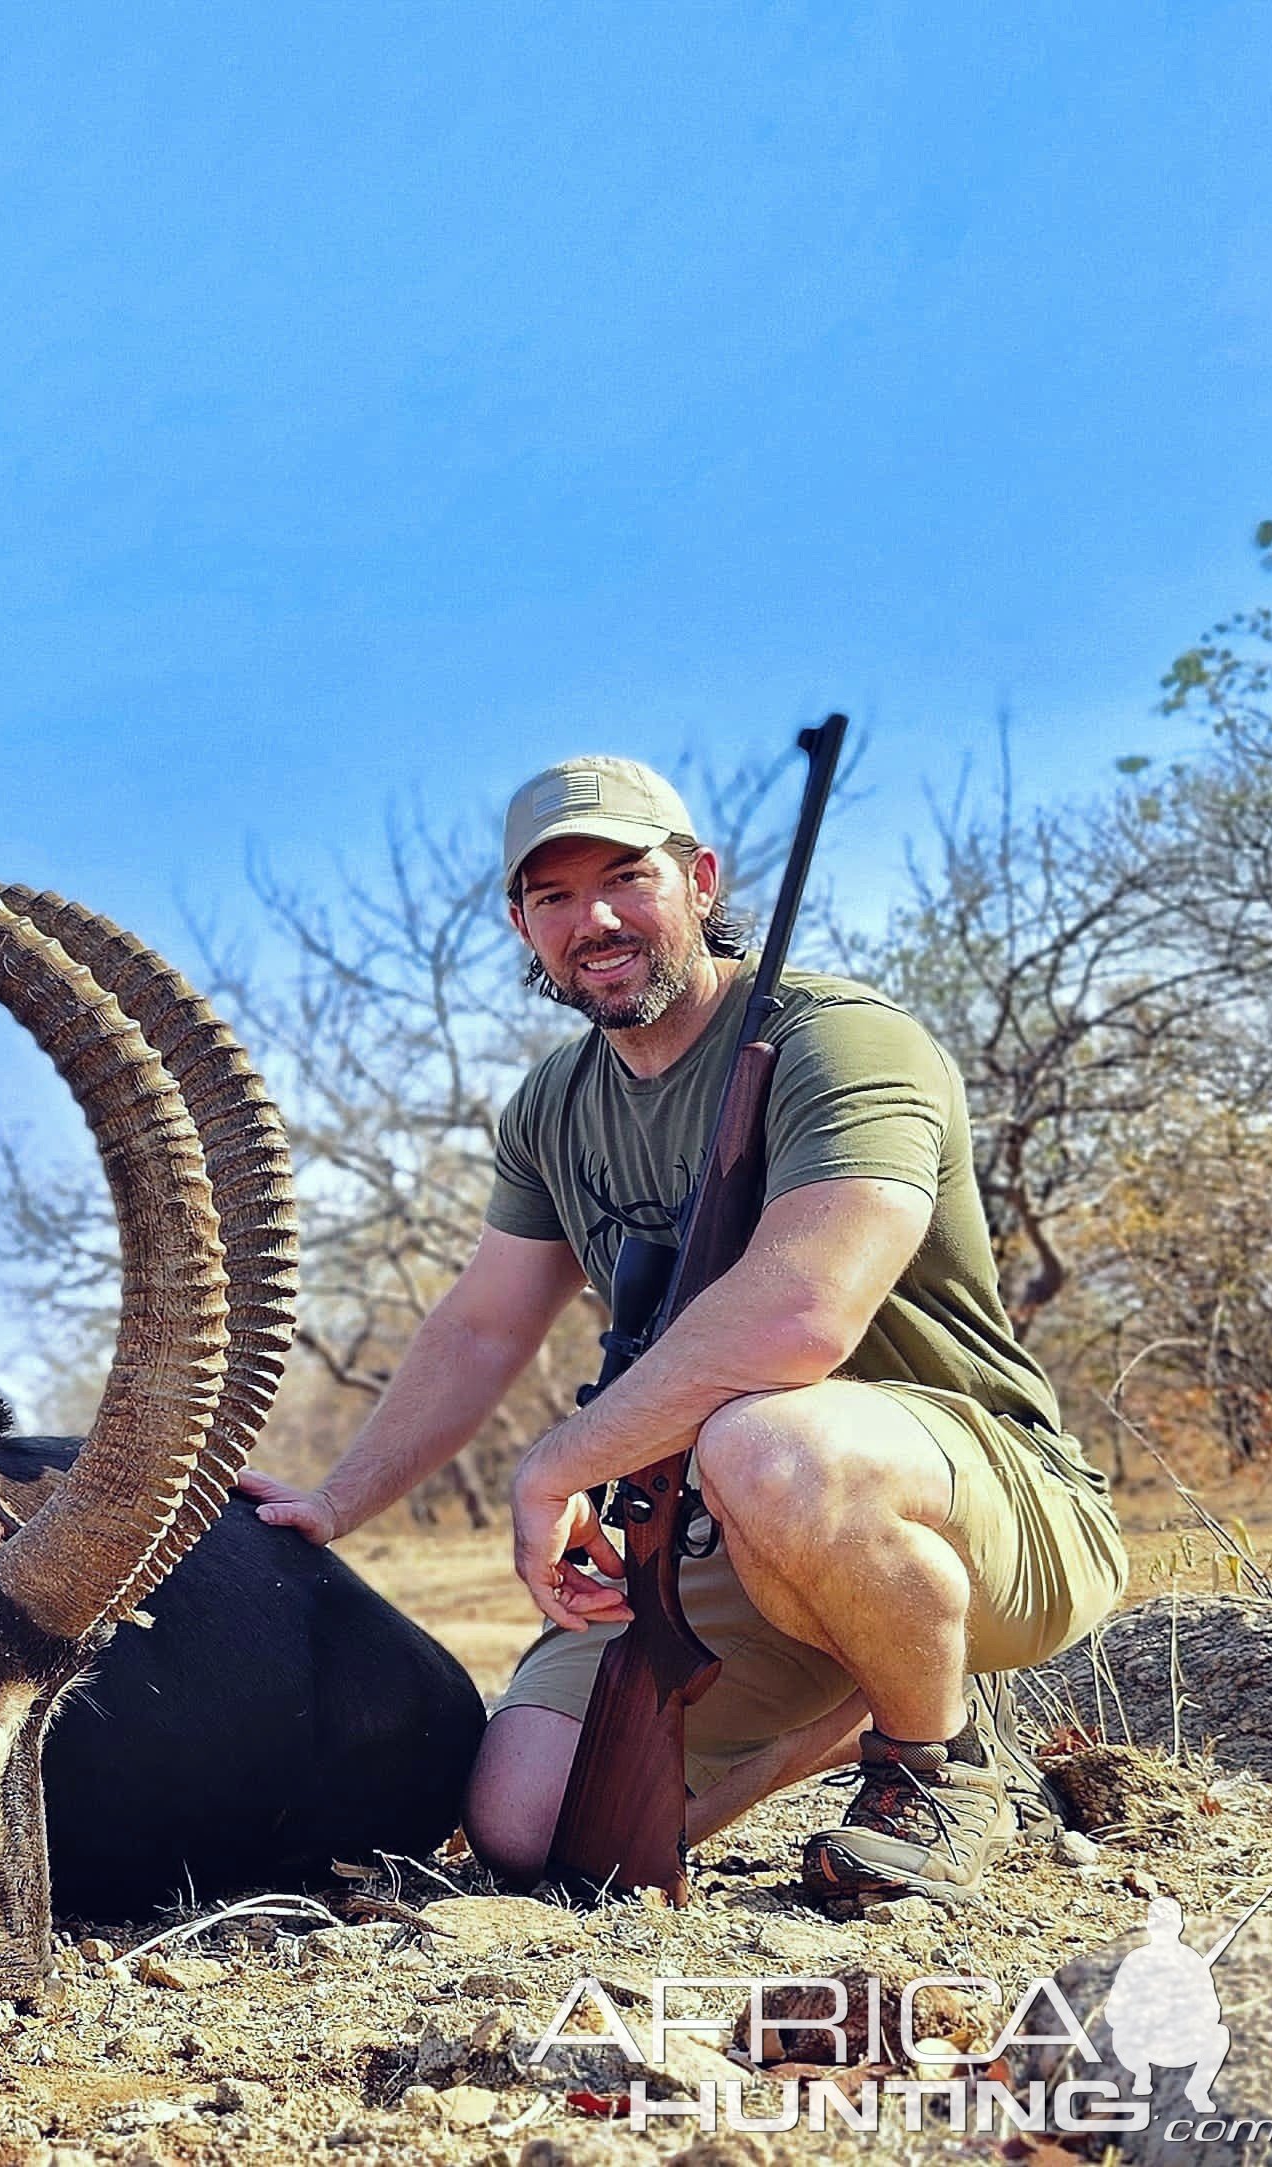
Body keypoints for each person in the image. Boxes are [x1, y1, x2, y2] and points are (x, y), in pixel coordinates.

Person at [234, 753, 1126, 1901]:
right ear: (520, 923)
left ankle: (936, 1763)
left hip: (973, 1506)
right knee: (525, 1828)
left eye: (624, 877)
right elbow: (480, 1329)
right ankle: (853, 1701)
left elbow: (802, 1315)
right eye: (551, 896)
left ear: (700, 879)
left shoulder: (841, 1040)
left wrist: (560, 1461)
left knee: (765, 1440)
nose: (591, 919)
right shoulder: (552, 1104)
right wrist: (333, 1500)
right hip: (723, 1541)